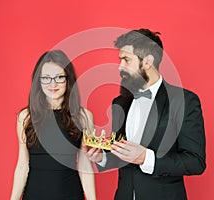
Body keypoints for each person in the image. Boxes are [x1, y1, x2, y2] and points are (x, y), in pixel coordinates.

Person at [84, 28, 206, 200]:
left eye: (126, 60)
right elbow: (121, 155)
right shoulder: (120, 103)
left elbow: (195, 162)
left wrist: (146, 158)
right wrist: (102, 157)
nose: (120, 67)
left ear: (148, 61)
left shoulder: (184, 101)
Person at [10, 50, 96, 200]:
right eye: (46, 78)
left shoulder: (84, 117)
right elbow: (23, 165)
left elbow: (85, 165)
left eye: (59, 77)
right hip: (34, 195)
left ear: (68, 79)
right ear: (39, 81)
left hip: (70, 194)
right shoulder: (25, 117)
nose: (53, 84)